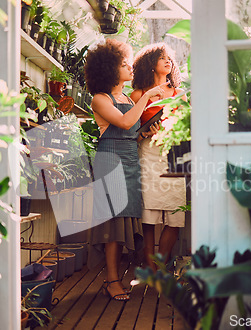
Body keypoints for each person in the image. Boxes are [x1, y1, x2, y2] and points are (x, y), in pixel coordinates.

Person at [84, 38, 165, 301]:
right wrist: (150, 95)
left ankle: (117, 276)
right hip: (110, 160)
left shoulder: (126, 98)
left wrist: (146, 132)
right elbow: (124, 120)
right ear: (109, 69)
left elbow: (131, 131)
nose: (130, 67)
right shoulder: (100, 99)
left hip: (130, 158)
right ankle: (111, 280)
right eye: (123, 64)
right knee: (113, 224)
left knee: (126, 218)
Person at [130, 43, 187, 271]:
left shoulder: (179, 94)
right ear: (149, 64)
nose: (168, 61)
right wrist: (143, 132)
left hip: (173, 155)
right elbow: (128, 130)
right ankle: (149, 266)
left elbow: (187, 125)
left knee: (175, 212)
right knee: (149, 214)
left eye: (169, 58)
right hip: (148, 154)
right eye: (162, 57)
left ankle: (161, 265)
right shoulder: (137, 95)